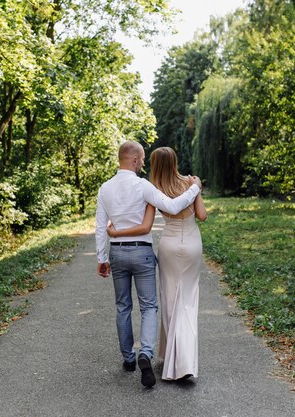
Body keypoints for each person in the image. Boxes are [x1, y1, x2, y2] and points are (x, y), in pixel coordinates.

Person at [95, 141, 202, 388]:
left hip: (118, 254)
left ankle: (129, 360)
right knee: (149, 306)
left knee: (122, 306)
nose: (144, 163)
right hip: (142, 253)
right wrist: (195, 188)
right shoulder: (143, 186)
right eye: (142, 159)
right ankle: (146, 353)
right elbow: (174, 206)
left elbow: (101, 226)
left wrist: (102, 258)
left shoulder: (105, 188)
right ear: (133, 160)